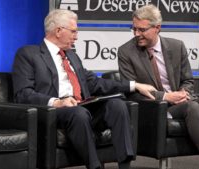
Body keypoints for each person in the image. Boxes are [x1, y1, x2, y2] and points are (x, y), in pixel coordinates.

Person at [12, 9, 157, 169]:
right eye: (73, 31)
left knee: (117, 105)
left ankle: (124, 164)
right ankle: (95, 167)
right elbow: (23, 94)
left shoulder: (72, 56)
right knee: (78, 113)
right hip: (53, 112)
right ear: (58, 31)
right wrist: (57, 102)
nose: (77, 36)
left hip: (82, 107)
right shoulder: (28, 54)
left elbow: (94, 83)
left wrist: (134, 85)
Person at [117, 4, 199, 169]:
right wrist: (165, 97)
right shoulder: (126, 52)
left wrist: (183, 93)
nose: (137, 34)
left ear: (157, 28)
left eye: (142, 30)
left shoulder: (176, 46)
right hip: (156, 107)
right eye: (134, 29)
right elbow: (133, 90)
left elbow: (188, 80)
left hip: (180, 101)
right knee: (191, 107)